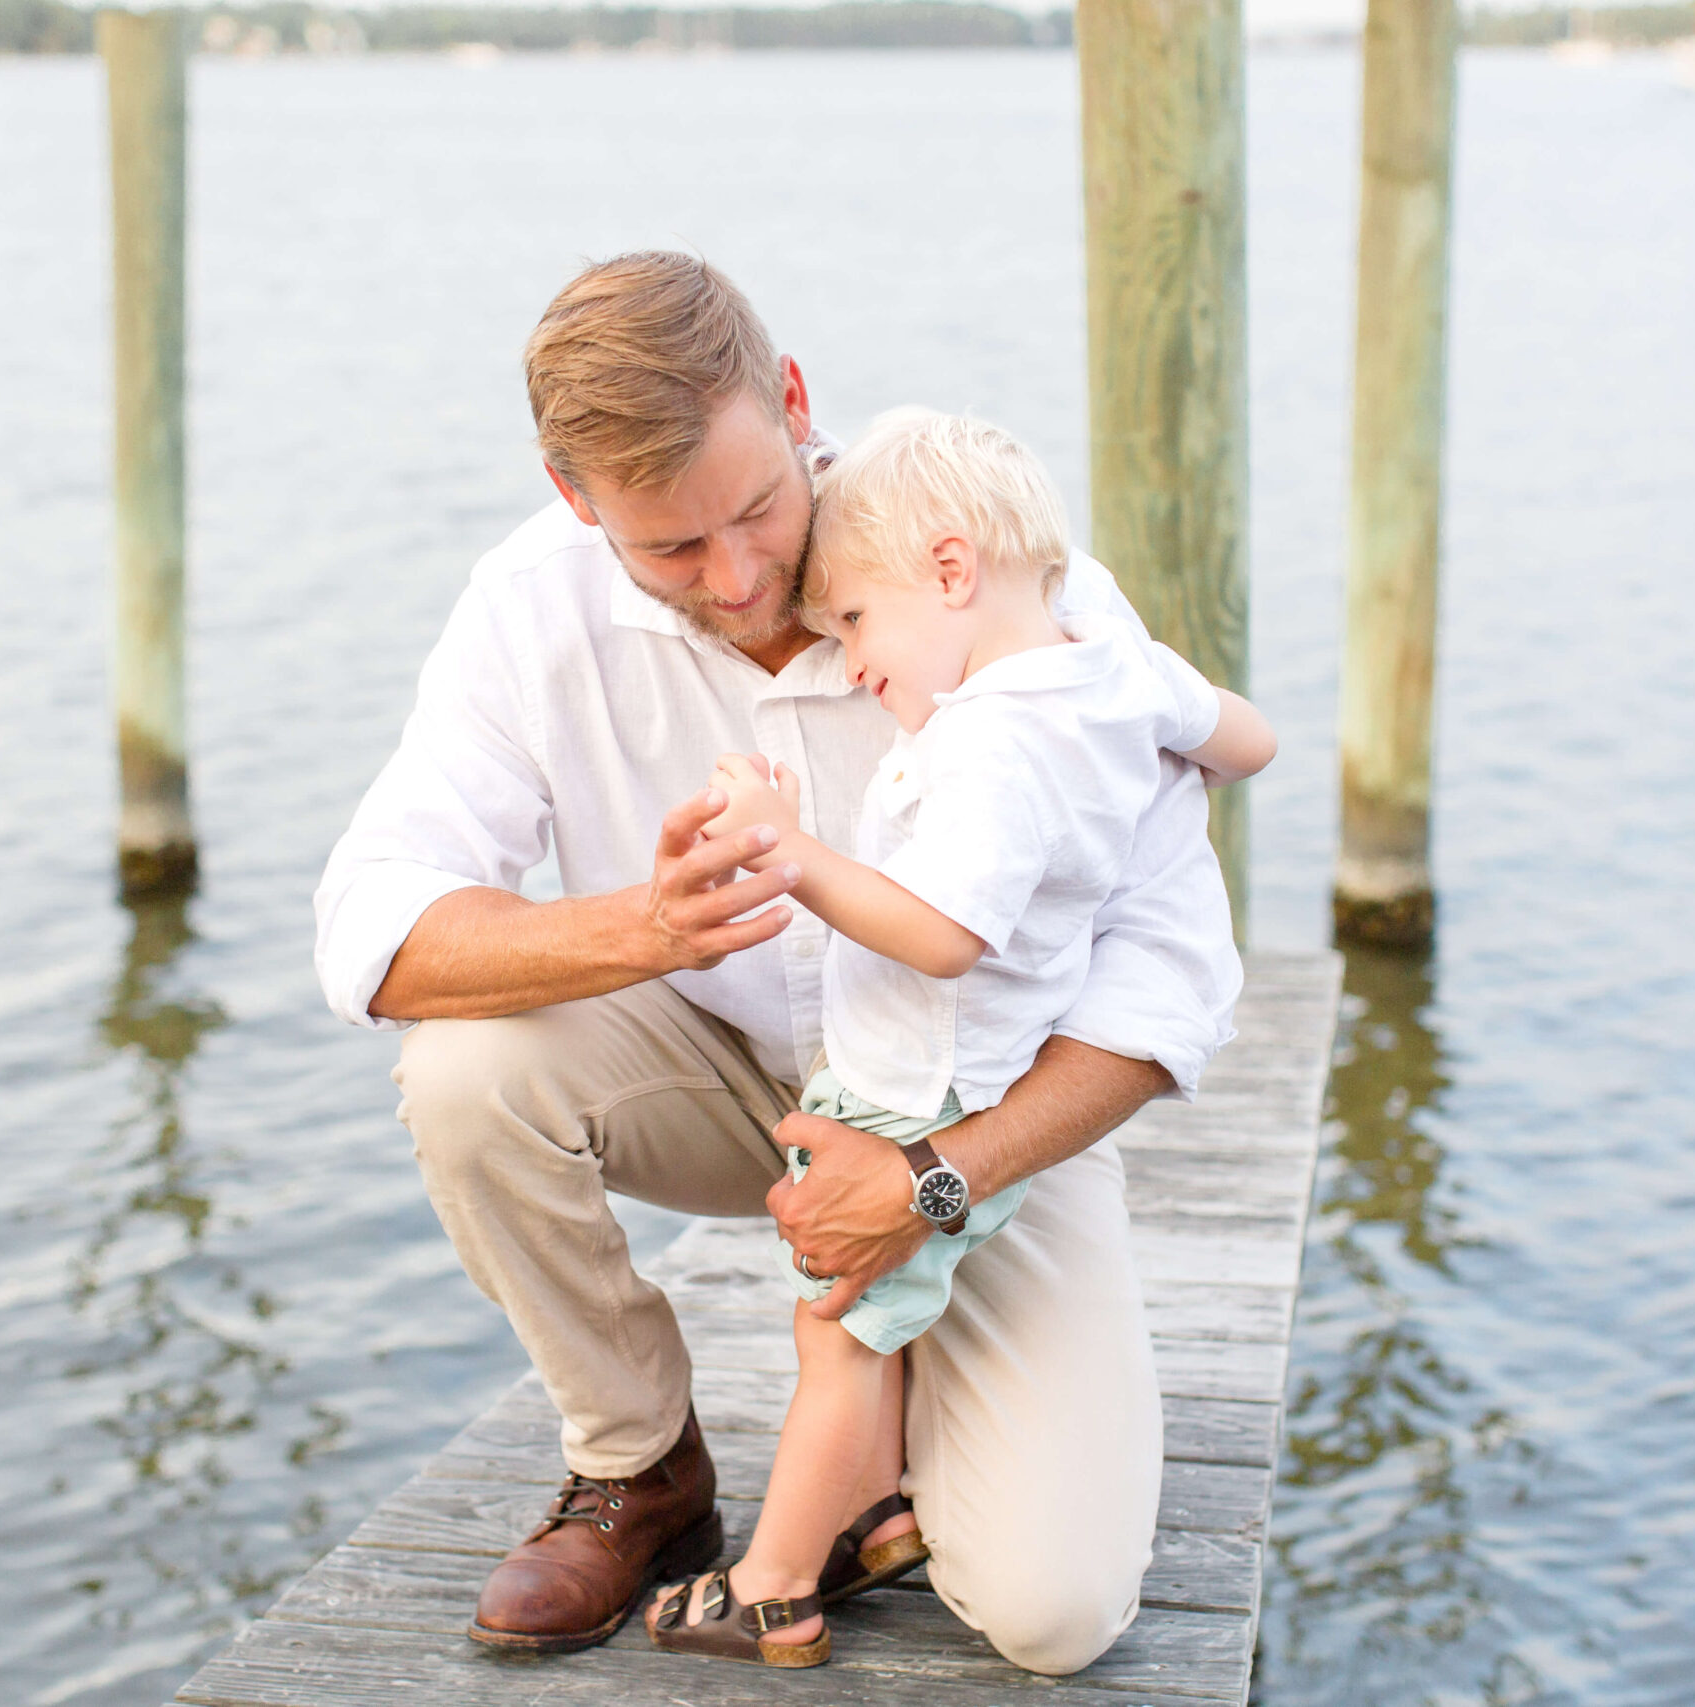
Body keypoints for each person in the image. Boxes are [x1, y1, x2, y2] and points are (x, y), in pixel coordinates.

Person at [312, 252, 1242, 1675]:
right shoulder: (527, 605)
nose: (742, 578)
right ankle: (641, 1463)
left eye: (758, 509)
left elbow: (1171, 976)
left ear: (795, 399)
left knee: (1056, 1612)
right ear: (580, 500)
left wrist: (939, 1179)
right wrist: (650, 925)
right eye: (673, 551)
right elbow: (368, 929)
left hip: (971, 1120)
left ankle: (896, 1425)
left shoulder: (990, 578)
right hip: (712, 1074)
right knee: (463, 1068)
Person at [638, 410, 1274, 1666]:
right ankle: (879, 1515)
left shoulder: (990, 740)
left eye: (858, 624)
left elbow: (940, 936)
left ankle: (771, 1585)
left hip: (914, 1097)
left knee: (839, 1337)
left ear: (947, 572)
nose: (846, 652)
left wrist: (788, 849)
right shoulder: (1114, 669)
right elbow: (1247, 742)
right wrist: (1175, 729)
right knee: (872, 1328)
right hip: (962, 1078)